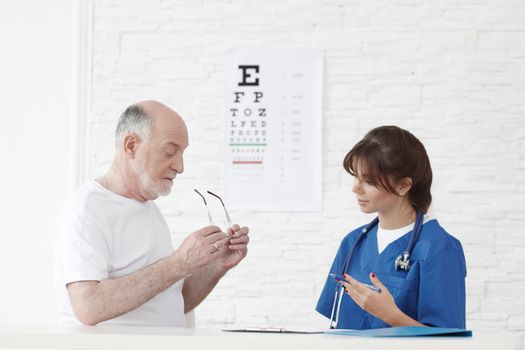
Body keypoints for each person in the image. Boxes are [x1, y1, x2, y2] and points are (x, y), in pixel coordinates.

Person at [54, 100, 249, 326]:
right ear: (131, 146)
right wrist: (179, 263)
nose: (180, 166)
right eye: (170, 151)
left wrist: (217, 265)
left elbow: (173, 302)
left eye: (182, 154)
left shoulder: (147, 208)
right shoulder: (86, 209)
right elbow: (89, 307)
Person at [316, 125, 466, 329]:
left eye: (368, 180)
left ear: (403, 185)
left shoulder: (439, 248)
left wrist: (391, 315)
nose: (355, 188)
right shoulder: (353, 243)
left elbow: (449, 343)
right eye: (355, 176)